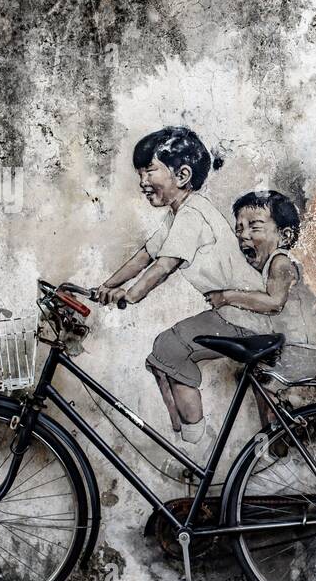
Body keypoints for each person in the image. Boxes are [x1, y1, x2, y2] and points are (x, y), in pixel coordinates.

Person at [91, 126, 269, 462]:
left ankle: (198, 444)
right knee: (162, 356)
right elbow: (146, 255)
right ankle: (188, 441)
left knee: (170, 348)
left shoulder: (193, 214)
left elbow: (164, 265)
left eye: (150, 171)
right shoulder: (180, 215)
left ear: (182, 174)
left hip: (246, 313)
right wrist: (108, 285)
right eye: (140, 173)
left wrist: (130, 295)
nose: (143, 181)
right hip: (232, 313)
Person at [205, 190, 316, 390]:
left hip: (307, 349)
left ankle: (277, 422)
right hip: (304, 348)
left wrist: (227, 297)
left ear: (284, 235)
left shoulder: (280, 262)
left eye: (255, 227)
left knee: (263, 380)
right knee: (259, 382)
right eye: (239, 228)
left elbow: (274, 303)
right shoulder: (269, 266)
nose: (243, 235)